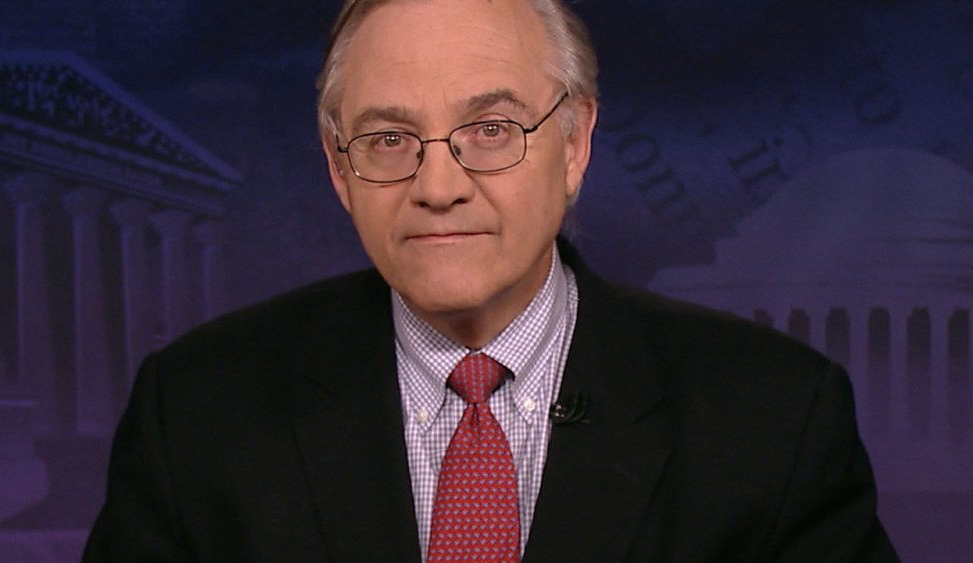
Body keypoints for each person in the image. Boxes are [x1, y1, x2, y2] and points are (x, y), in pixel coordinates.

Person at [83, 0, 900, 561]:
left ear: (574, 144)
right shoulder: (196, 413)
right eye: (389, 138)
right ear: (338, 168)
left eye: (491, 129)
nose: (439, 186)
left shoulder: (774, 419)